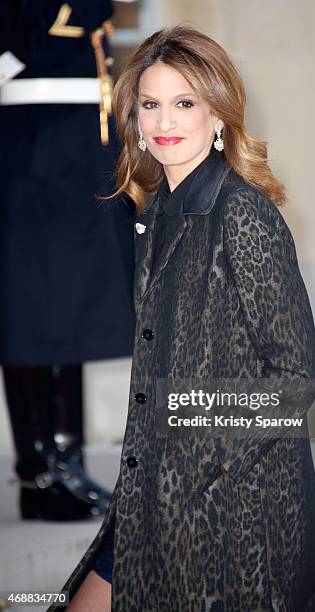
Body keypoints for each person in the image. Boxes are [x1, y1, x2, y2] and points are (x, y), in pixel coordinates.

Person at [48, 24, 315, 611]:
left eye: (184, 103)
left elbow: (295, 378)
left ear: (219, 115)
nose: (164, 121)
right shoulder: (157, 216)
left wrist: (198, 453)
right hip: (153, 497)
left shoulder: (243, 215)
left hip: (228, 512)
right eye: (150, 105)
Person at [0, 1, 135, 521]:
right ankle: (40, 470)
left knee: (68, 307)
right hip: (31, 145)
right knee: (31, 310)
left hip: (76, 143)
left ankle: (65, 463)